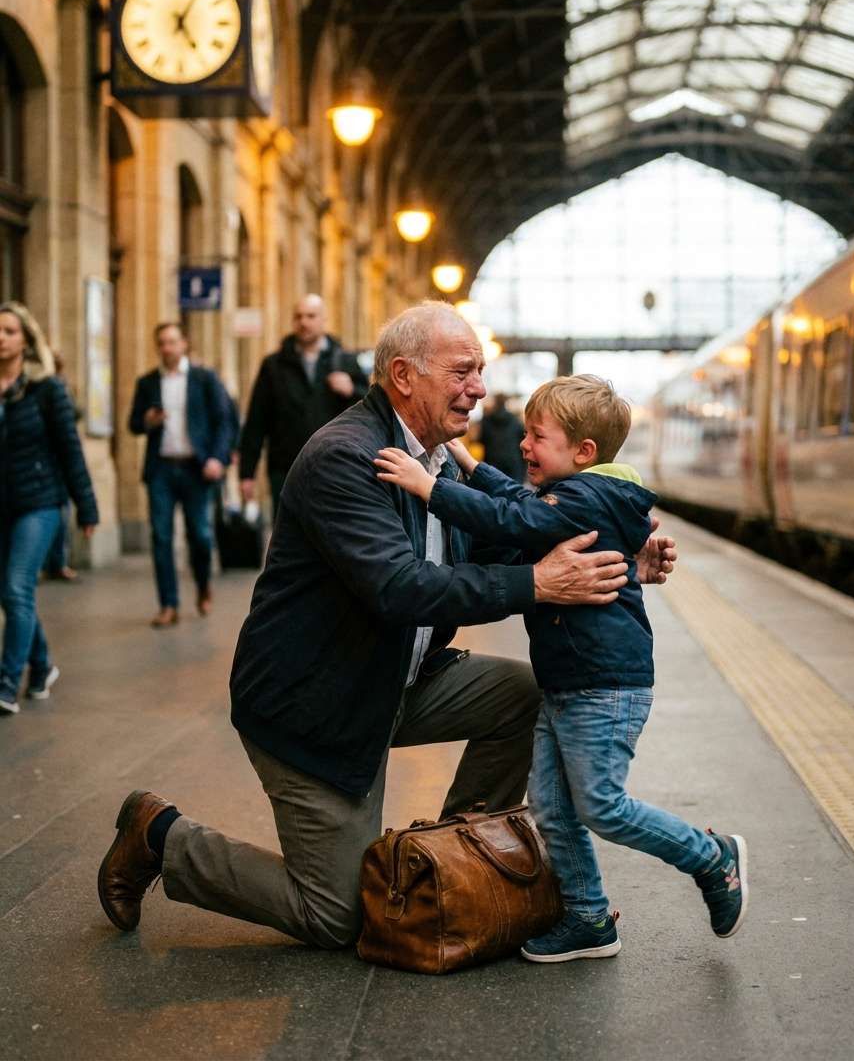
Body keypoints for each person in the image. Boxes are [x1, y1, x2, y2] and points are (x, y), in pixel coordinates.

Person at [96, 303, 676, 949]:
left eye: (480, 371)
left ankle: (454, 868)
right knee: (335, 916)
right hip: (317, 706)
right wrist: (539, 585)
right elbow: (400, 588)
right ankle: (159, 835)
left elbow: (506, 547)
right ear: (404, 375)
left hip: (398, 679)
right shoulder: (345, 458)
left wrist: (623, 559)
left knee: (524, 697)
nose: (479, 388)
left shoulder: (435, 458)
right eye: (463, 371)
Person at [375, 373, 746, 964]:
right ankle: (588, 916)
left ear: (583, 453)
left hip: (603, 685)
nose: (523, 445)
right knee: (550, 806)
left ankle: (711, 858)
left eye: (536, 436)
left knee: (600, 804)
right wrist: (468, 464)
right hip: (569, 683)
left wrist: (431, 488)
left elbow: (512, 523)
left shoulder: (584, 498)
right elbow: (521, 504)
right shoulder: (577, 493)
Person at [0, 303, 98, 716]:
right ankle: (41, 665)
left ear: (26, 339)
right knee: (10, 592)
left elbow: (70, 450)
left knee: (17, 586)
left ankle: (6, 683)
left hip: (39, 503)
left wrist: (86, 507)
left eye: (8, 330)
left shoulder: (46, 388)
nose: (1, 337)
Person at [128, 322, 233, 628]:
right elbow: (133, 424)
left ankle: (202, 585)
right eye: (161, 342)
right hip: (161, 468)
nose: (167, 348)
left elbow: (223, 420)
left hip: (195, 468)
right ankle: (168, 605)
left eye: (172, 341)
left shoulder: (204, 378)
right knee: (161, 537)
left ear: (184, 344)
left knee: (200, 535)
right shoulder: (147, 382)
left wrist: (217, 457)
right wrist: (147, 420)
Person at [238, 295, 368, 515]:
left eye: (311, 316)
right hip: (285, 467)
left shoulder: (345, 360)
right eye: (298, 317)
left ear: (324, 320)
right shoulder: (273, 366)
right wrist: (246, 474)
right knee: (288, 537)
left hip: (336, 466)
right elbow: (257, 421)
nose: (304, 322)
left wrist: (351, 391)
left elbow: (370, 408)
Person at [42, 350, 82, 582]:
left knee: (62, 514)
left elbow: (74, 415)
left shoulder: (58, 387)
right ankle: (53, 562)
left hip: (55, 464)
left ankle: (58, 561)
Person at [478, 393, 525, 481]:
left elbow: (481, 440)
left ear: (495, 402)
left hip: (492, 461)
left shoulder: (486, 421)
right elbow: (522, 440)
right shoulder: (515, 420)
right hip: (512, 461)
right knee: (514, 491)